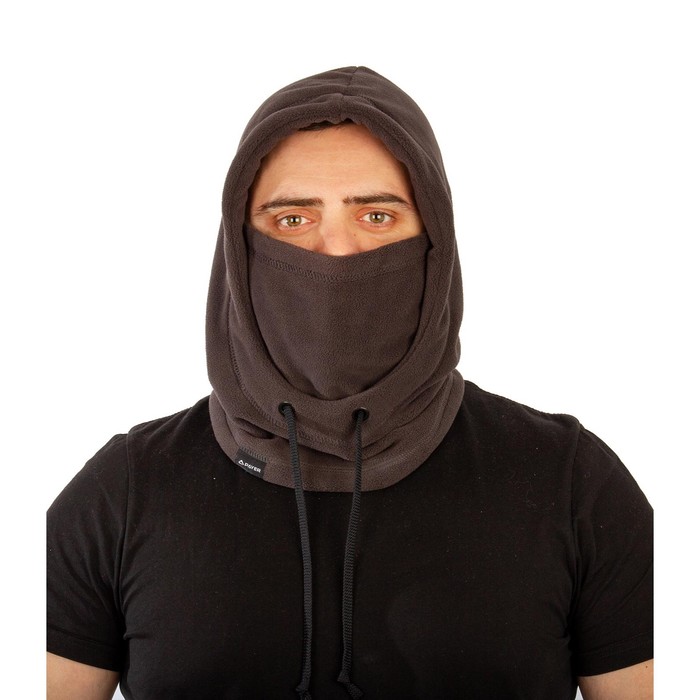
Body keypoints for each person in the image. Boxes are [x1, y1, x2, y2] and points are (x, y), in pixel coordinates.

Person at [47, 66, 653, 699]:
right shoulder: (123, 492)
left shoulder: (572, 483)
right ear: (239, 250)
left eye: (377, 215)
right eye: (291, 220)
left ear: (436, 242)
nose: (336, 250)